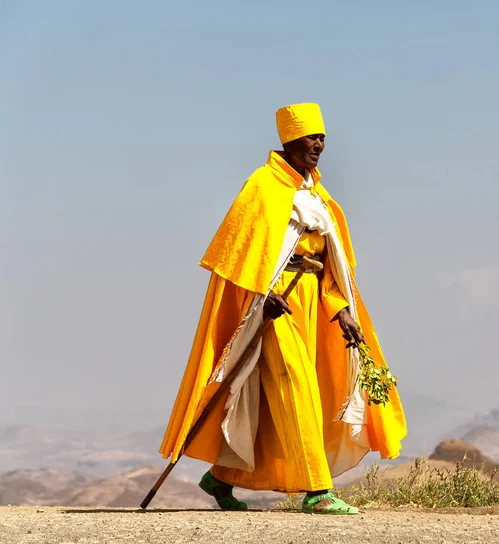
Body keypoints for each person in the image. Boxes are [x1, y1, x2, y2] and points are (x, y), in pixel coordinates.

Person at [159, 103, 407, 515]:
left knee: (280, 395)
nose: (319, 145)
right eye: (312, 138)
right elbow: (240, 252)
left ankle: (220, 477)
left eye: (323, 138)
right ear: (290, 142)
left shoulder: (315, 194)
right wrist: (263, 290)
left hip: (312, 300)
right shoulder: (262, 187)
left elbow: (332, 261)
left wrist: (342, 308)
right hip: (274, 306)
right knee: (295, 386)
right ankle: (317, 491)